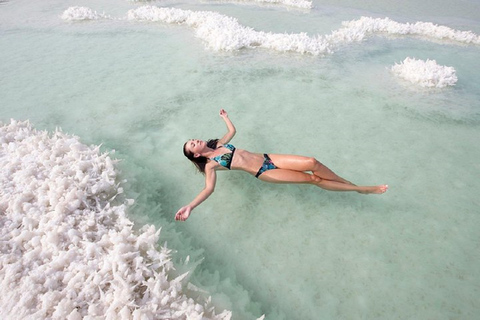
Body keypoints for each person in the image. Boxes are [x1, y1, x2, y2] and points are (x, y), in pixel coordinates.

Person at [175, 109, 388, 221]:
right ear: (195, 154)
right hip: (264, 172)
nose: (196, 140)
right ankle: (361, 189)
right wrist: (190, 207)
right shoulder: (211, 165)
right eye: (192, 144)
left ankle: (347, 183)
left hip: (269, 157)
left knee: (312, 162)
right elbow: (208, 189)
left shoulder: (218, 144)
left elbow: (232, 132)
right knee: (314, 179)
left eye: (193, 139)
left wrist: (225, 118)